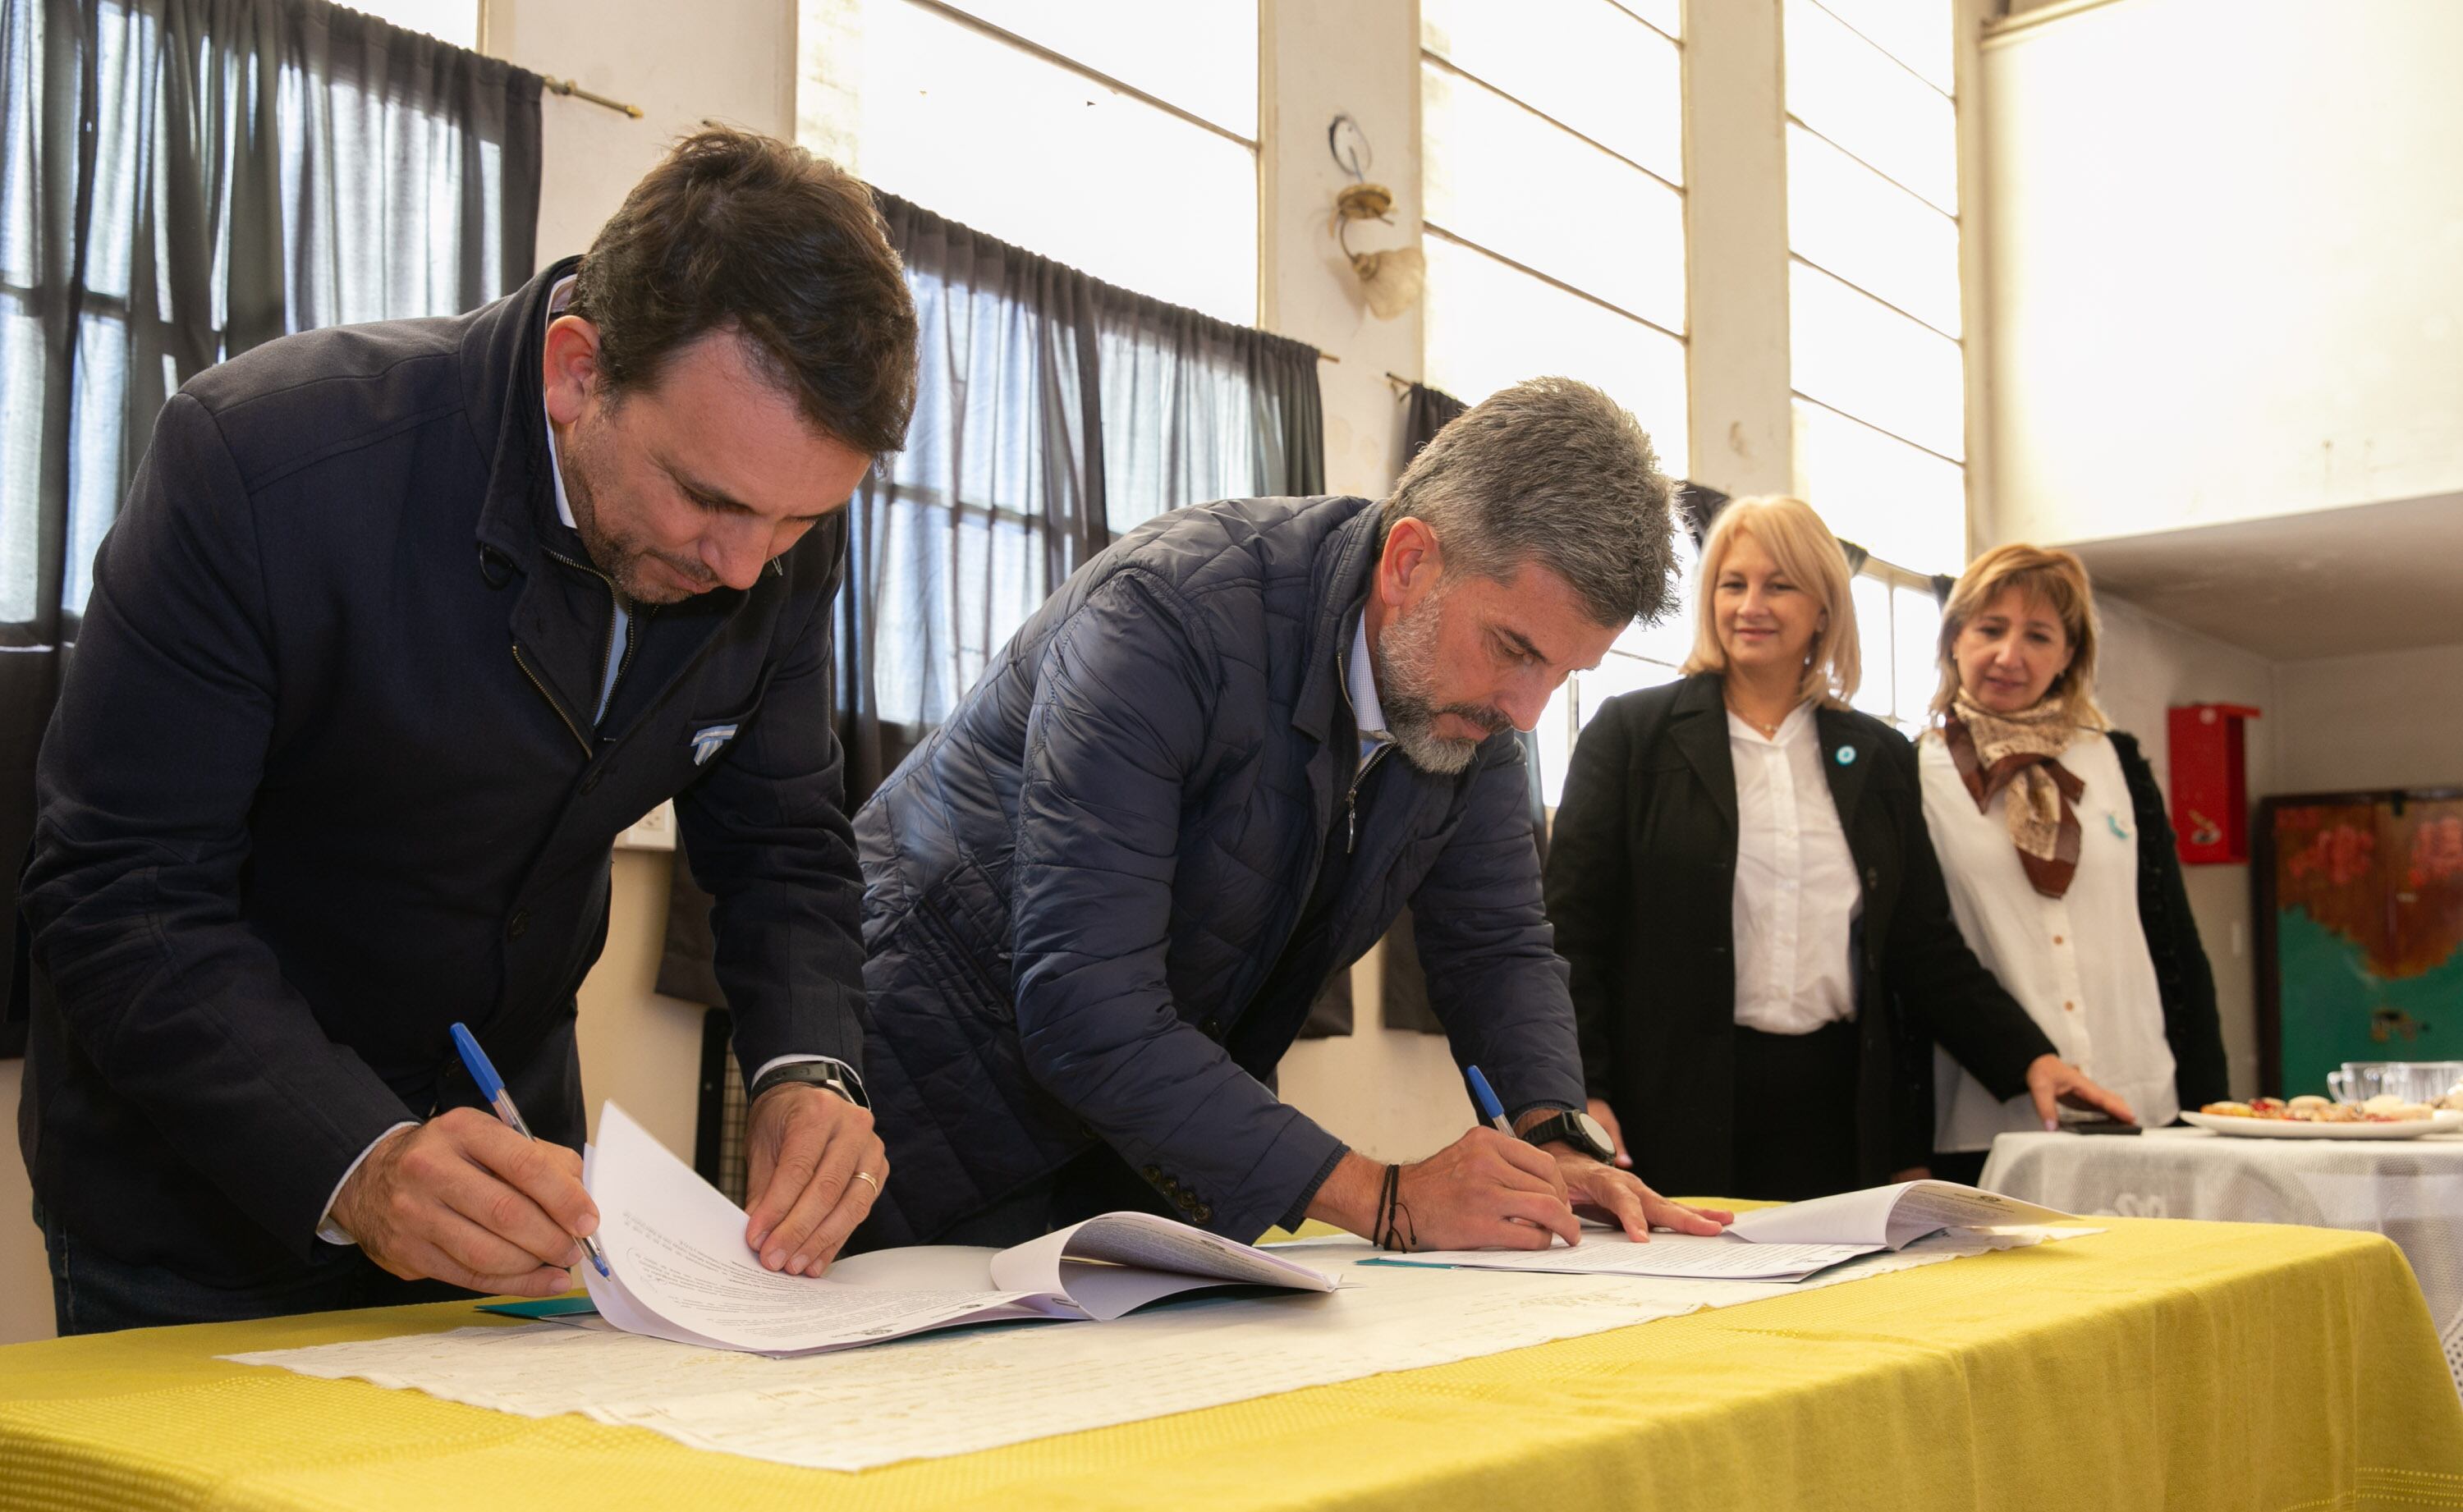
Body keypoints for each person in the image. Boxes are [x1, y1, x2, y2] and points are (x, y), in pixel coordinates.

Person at [18, 128, 915, 1333]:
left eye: (799, 520)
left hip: (517, 1193)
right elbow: (118, 892)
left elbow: (785, 844)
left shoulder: (767, 527)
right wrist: (361, 1159)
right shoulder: (261, 462)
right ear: (576, 371)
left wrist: (810, 1067)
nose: (747, 566)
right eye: (708, 500)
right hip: (206, 1194)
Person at [851, 378, 1733, 1254]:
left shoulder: (1476, 709)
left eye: (1564, 674)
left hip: (1146, 1129)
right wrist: (1385, 1196)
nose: (1530, 710)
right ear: (1408, 562)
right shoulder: (1164, 616)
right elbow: (1086, 1001)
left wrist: (1557, 1141)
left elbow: (1495, 942)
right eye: (1514, 649)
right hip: (923, 1099)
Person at [1542, 497, 2132, 1203]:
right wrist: (1585, 1093)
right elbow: (1572, 932)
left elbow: (1922, 945)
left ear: (1823, 608)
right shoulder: (1632, 733)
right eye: (1733, 584)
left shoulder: (1878, 756)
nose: (1751, 605)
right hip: (1668, 1106)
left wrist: (2028, 1057)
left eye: (1779, 585)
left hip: (1836, 1110)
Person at [1916, 544, 2227, 1184]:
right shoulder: (1912, 771)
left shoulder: (2117, 761)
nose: (2010, 655)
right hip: (1991, 1113)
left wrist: (2213, 1105)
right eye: (1990, 629)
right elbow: (1920, 951)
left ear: (2068, 655)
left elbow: (2174, 943)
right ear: (1954, 640)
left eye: (2038, 635)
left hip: (2141, 1097)